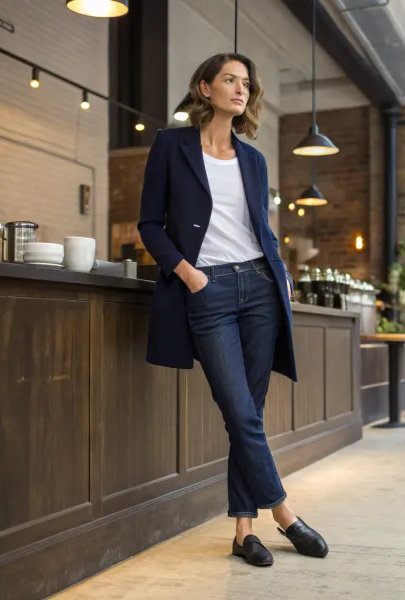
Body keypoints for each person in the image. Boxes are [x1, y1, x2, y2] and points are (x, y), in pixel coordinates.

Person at [138, 53, 328, 567]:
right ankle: (285, 513)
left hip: (260, 286)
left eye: (246, 82)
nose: (241, 89)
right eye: (229, 80)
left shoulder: (254, 159)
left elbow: (260, 229)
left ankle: (244, 532)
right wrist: (188, 273)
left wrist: (282, 272)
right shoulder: (171, 145)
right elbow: (149, 223)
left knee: (251, 414)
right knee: (239, 410)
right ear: (205, 87)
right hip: (209, 291)